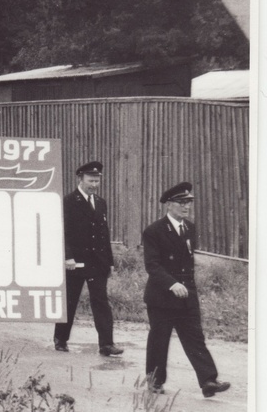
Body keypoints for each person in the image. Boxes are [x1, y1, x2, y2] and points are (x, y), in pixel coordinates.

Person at [143, 182, 230, 398]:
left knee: (195, 337)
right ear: (169, 205)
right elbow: (152, 265)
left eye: (188, 203)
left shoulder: (189, 228)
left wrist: (186, 287)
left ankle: (208, 380)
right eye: (181, 203)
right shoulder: (154, 231)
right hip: (162, 295)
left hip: (186, 295)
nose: (186, 207)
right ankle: (155, 381)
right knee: (159, 340)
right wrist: (172, 284)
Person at [54, 161, 122, 356]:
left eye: (97, 181)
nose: (94, 184)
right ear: (80, 179)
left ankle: (107, 344)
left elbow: (103, 234)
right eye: (91, 180)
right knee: (70, 301)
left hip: (97, 263)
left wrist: (109, 261)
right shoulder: (68, 201)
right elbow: (63, 232)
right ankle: (61, 339)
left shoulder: (100, 203)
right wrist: (67, 257)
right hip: (75, 262)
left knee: (101, 301)